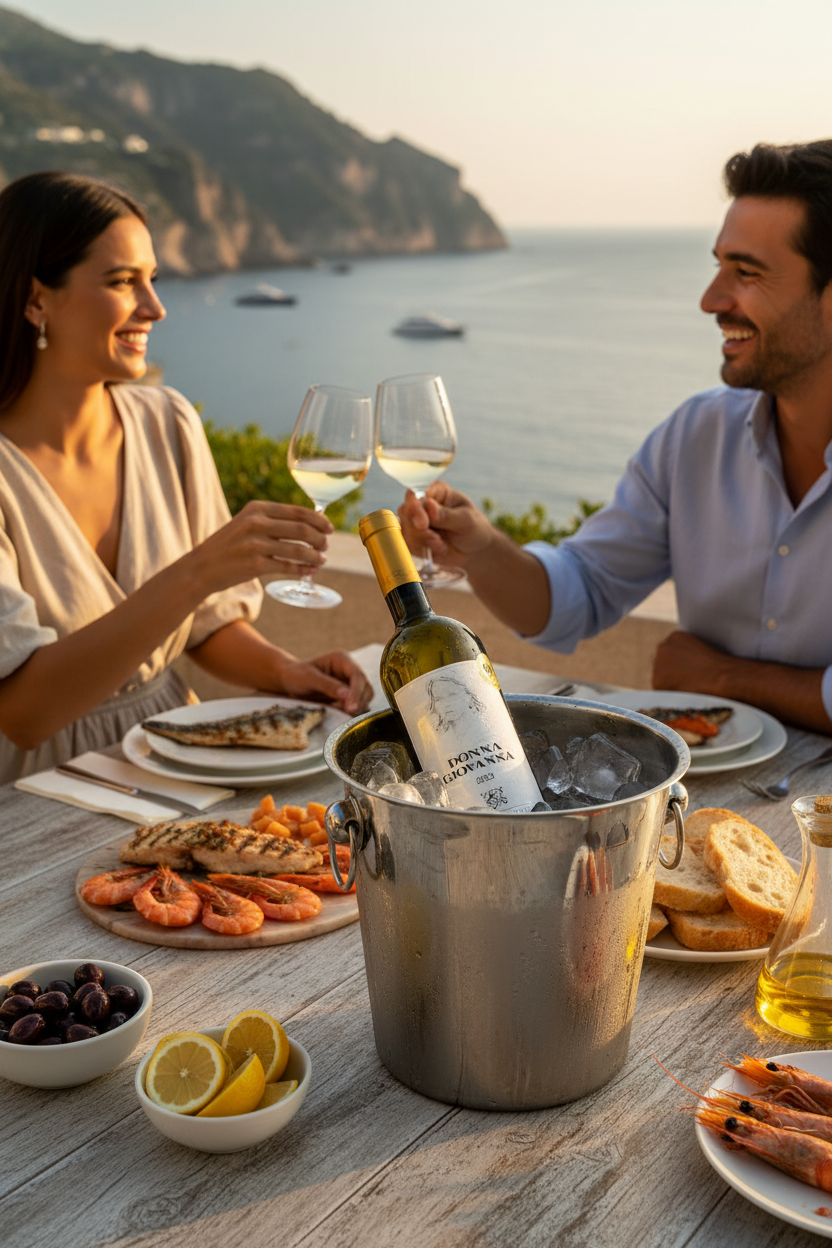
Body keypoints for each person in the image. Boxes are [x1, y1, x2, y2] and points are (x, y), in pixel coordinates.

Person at [399, 140, 832, 734]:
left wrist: (727, 677)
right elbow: (579, 595)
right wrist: (481, 549)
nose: (710, 300)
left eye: (747, 273)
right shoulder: (696, 436)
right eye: (718, 266)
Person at [0, 172, 372, 782]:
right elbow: (23, 713)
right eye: (123, 281)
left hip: (171, 759)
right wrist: (198, 572)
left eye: (152, 278)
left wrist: (285, 672)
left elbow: (204, 623)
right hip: (34, 791)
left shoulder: (168, 423)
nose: (155, 307)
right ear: (36, 299)